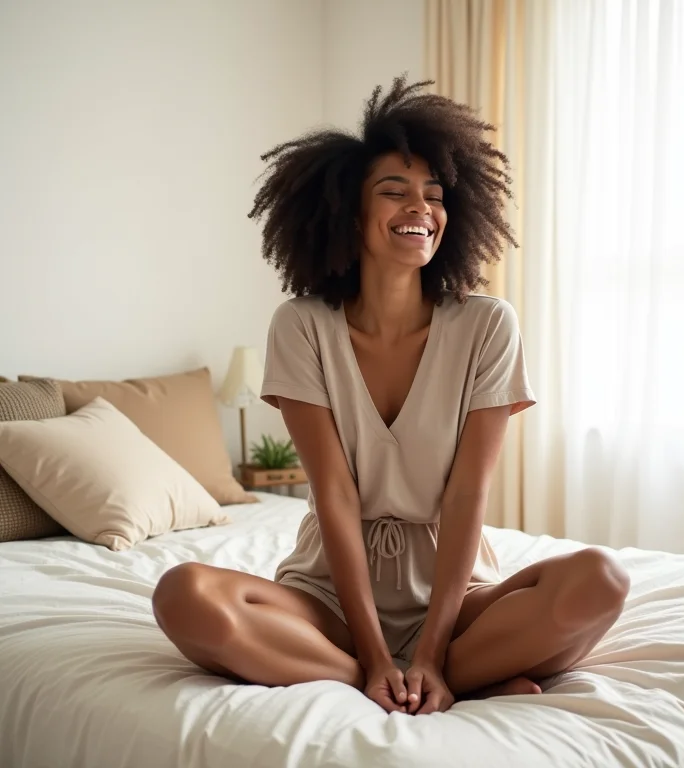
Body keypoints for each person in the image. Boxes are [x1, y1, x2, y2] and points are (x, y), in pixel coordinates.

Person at [152, 76, 630, 716]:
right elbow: (334, 495)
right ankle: (385, 677)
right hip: (331, 597)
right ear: (350, 212)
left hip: (456, 599)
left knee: (602, 581)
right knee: (183, 595)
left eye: (434, 196)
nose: (421, 209)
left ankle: (432, 671)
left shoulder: (488, 324)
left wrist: (431, 646)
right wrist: (377, 655)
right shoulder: (302, 327)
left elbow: (467, 495)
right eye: (394, 191)